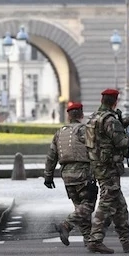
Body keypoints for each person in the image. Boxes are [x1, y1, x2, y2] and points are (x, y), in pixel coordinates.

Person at [84, 88, 129, 254]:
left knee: (120, 206)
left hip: (98, 165)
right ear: (115, 101)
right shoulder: (109, 119)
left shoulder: (94, 117)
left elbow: (104, 132)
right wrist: (128, 135)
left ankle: (126, 240)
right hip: (109, 167)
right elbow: (122, 142)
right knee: (106, 203)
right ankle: (95, 239)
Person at [43, 101, 97, 247]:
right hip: (83, 174)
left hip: (67, 175)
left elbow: (51, 156)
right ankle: (66, 225)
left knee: (79, 207)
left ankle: (88, 239)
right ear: (81, 114)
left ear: (68, 116)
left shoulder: (60, 132)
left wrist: (48, 176)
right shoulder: (84, 130)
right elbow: (95, 150)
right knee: (88, 205)